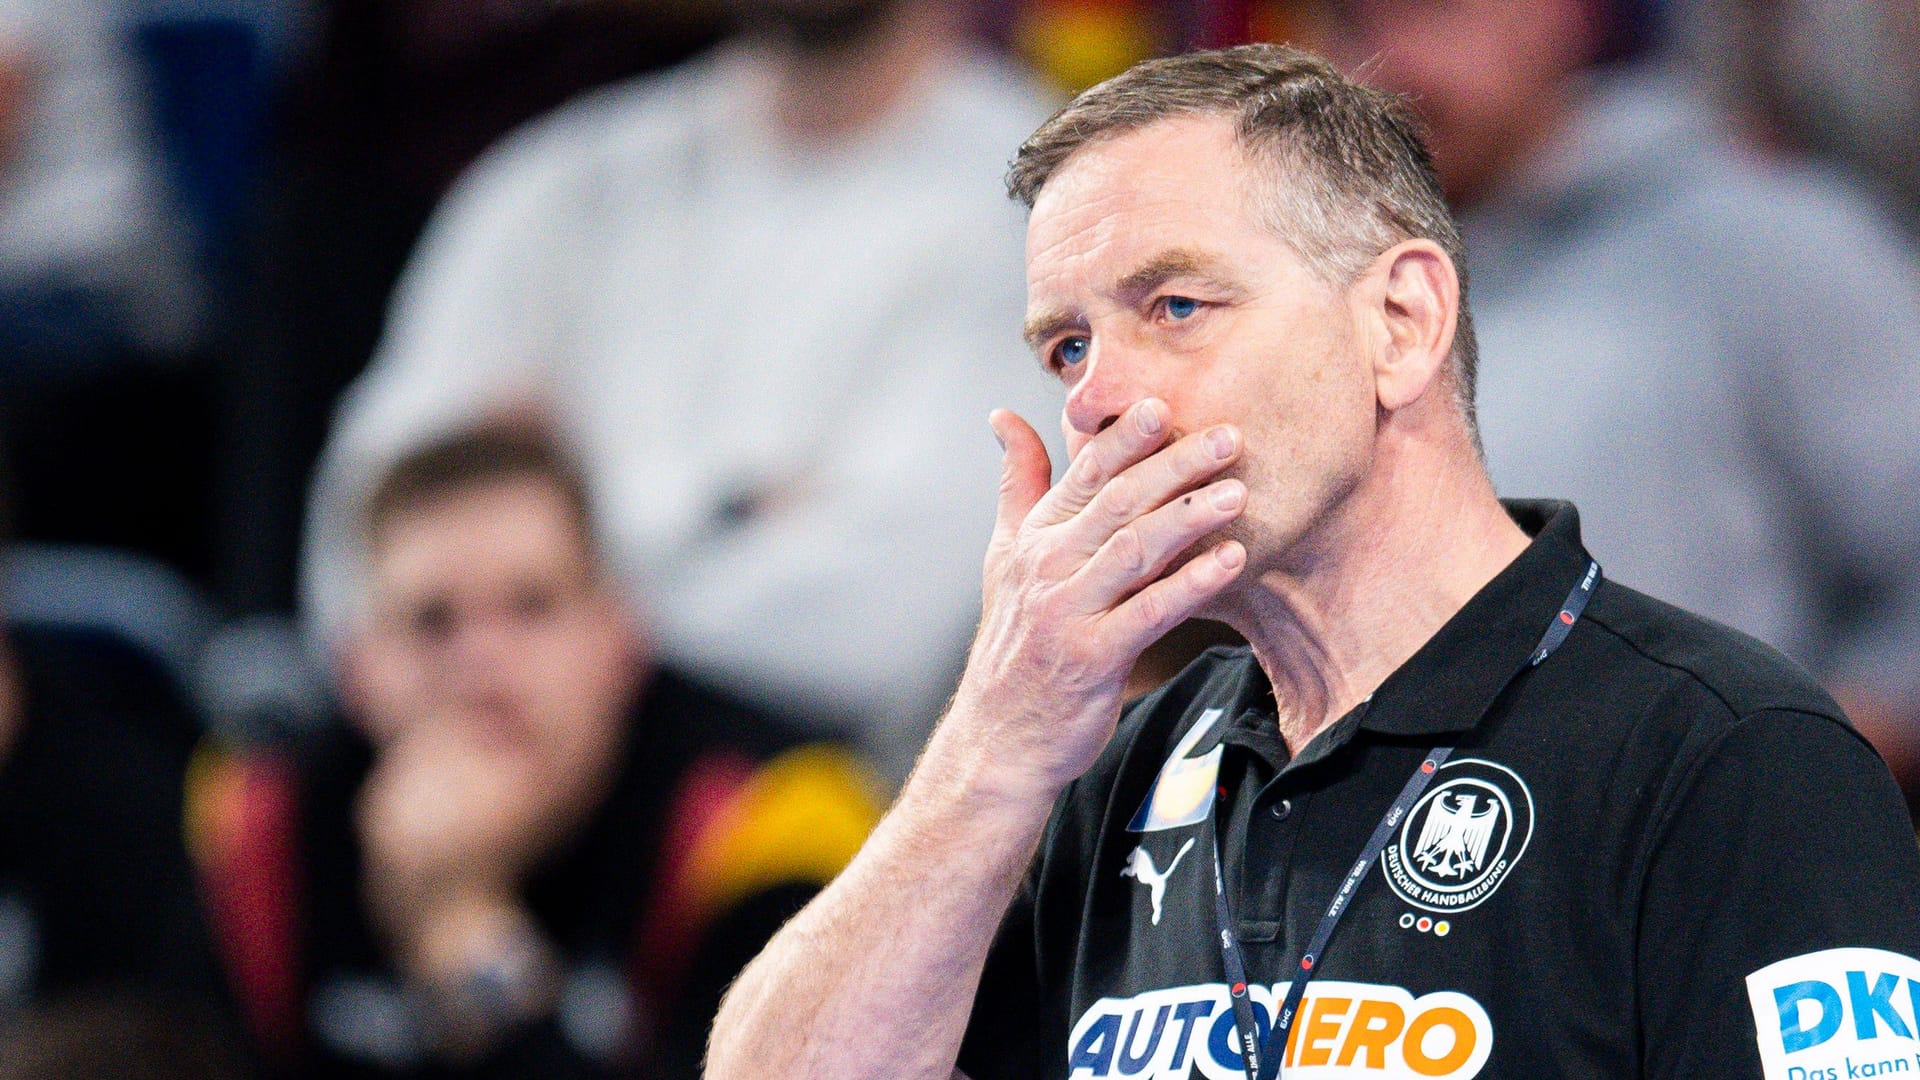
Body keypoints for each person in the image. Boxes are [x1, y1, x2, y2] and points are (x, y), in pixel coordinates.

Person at [704, 44, 1920, 1080]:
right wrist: (995, 742)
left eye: (1175, 305)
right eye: (1067, 346)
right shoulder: (1110, 774)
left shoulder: (1730, 759)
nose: (1096, 399)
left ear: (1401, 324)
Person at [300, 0, 1060, 774]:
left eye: (536, 605)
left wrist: (545, 557)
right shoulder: (562, 181)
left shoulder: (1040, 204)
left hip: (833, 817)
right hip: (462, 786)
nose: (499, 646)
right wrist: (726, 520)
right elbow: (349, 557)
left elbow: (875, 635)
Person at [1313, 0, 1920, 809]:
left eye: (1434, 11)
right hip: (1405, 888)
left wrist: (1781, 774)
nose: (1390, 61)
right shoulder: (1314, 296)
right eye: (1353, 22)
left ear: (1556, 16)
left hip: (1717, 882)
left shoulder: (1766, 241)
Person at [200, 424, 881, 1077]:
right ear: (356, 670)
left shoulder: (772, 820)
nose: (482, 665)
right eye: (431, 621)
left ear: (620, 640)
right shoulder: (257, 820)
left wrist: (458, 925)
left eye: (532, 607)